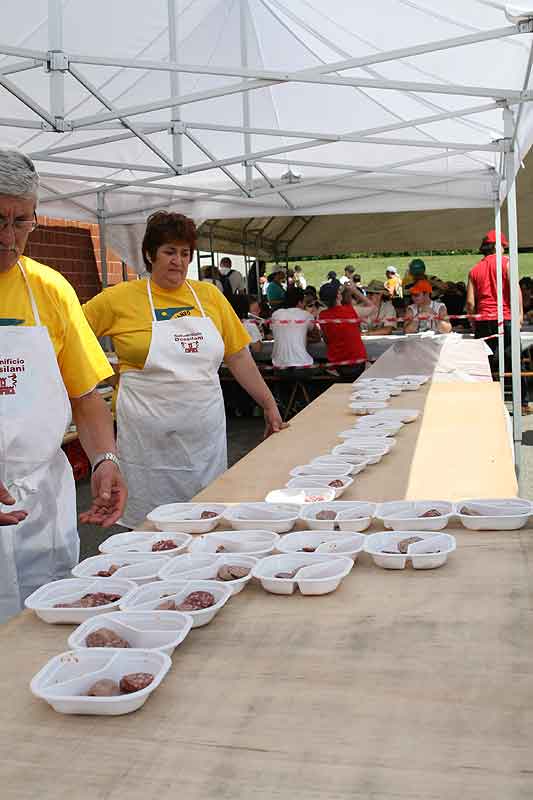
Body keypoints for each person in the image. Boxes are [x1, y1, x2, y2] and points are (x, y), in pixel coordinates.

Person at [83, 211, 284, 527]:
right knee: (149, 531)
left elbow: (239, 356)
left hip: (203, 440)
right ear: (149, 254)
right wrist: (99, 374)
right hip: (146, 446)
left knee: (206, 520)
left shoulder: (209, 296)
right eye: (169, 251)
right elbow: (72, 340)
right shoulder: (117, 299)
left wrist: (269, 404)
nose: (178, 260)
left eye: (185, 253)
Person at [0, 148, 127, 621]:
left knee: (41, 626)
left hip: (40, 502)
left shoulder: (51, 290)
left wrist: (105, 459)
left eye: (20, 222)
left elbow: (84, 394)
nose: (8, 238)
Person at [466, 229, 529, 412]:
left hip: (484, 320)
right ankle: (523, 403)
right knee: (514, 361)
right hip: (505, 319)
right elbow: (515, 290)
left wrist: (472, 320)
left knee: (484, 362)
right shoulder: (507, 263)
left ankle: (487, 402)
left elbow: (470, 302)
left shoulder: (474, 270)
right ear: (497, 246)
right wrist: (520, 316)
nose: (505, 249)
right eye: (503, 246)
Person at [318, 283, 367, 379]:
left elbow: (326, 340)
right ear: (338, 296)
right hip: (358, 361)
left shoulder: (322, 315)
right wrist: (355, 290)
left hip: (338, 364)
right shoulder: (351, 310)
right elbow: (373, 307)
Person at [271, 286, 317, 369]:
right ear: (299, 302)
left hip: (278, 366)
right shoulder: (306, 315)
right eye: (304, 302)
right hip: (303, 365)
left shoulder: (275, 315)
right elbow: (317, 337)